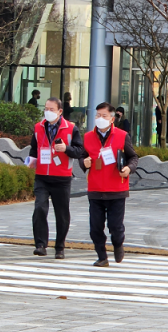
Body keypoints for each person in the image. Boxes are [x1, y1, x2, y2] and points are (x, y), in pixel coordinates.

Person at [79, 102, 139, 267]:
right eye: (98, 115)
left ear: (112, 119)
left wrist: (128, 168)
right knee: (95, 227)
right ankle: (102, 256)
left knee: (115, 226)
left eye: (104, 116)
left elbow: (133, 157)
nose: (100, 118)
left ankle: (118, 244)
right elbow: (82, 158)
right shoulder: (88, 137)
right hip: (95, 188)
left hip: (116, 189)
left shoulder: (122, 135)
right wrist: (84, 162)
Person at [27, 97, 84, 259]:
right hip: (42, 176)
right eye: (46, 109)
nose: (47, 112)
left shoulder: (71, 128)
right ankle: (40, 244)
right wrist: (31, 161)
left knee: (62, 214)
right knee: (39, 208)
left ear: (60, 111)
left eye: (51, 109)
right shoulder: (38, 127)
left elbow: (79, 151)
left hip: (62, 178)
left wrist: (66, 148)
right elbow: (34, 148)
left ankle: (60, 247)